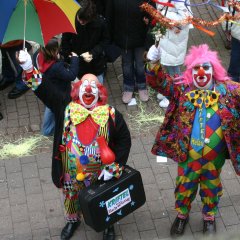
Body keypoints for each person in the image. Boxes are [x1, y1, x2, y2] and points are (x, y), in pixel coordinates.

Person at [18, 50, 131, 240]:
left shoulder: (111, 115)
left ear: (100, 92)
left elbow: (124, 141)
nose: (88, 90)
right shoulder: (65, 106)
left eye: (93, 86)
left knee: (106, 197)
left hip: (102, 172)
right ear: (77, 90)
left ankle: (108, 225)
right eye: (85, 85)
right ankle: (73, 221)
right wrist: (29, 68)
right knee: (71, 197)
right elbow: (44, 89)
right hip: (71, 172)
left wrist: (116, 166)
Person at [147, 44, 240, 236]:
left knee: (211, 186)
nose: (201, 72)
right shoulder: (181, 90)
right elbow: (158, 82)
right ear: (190, 71)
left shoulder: (228, 90)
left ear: (214, 70)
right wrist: (153, 63)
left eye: (206, 67)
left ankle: (209, 216)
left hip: (215, 159)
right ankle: (182, 215)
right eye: (196, 68)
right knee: (185, 185)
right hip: (188, 157)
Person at [30, 38, 79, 136]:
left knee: (50, 107)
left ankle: (46, 130)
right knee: (61, 110)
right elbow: (71, 75)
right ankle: (63, 129)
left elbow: (33, 80)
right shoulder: (57, 67)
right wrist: (75, 59)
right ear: (54, 51)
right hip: (60, 93)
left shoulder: (37, 56)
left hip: (49, 92)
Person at [106, 0, 151, 104]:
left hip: (140, 37)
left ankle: (142, 86)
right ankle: (128, 87)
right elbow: (110, 16)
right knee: (126, 65)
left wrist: (148, 21)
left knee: (140, 65)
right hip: (123, 38)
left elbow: (151, 12)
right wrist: (111, 37)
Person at [154, 0, 192, 107]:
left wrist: (163, 14)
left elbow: (186, 17)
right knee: (167, 66)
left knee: (174, 70)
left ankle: (175, 96)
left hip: (174, 40)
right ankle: (168, 91)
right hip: (165, 37)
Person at [61, 0, 110, 84]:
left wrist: (92, 53)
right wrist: (70, 56)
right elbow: (65, 40)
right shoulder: (71, 20)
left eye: (84, 21)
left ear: (91, 18)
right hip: (77, 65)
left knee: (97, 91)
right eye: (79, 19)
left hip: (95, 65)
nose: (81, 22)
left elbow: (105, 40)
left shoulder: (101, 23)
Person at [226, 1, 240, 82]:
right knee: (235, 57)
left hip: (237, 33)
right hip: (237, 34)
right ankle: (232, 84)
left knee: (235, 57)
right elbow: (228, 11)